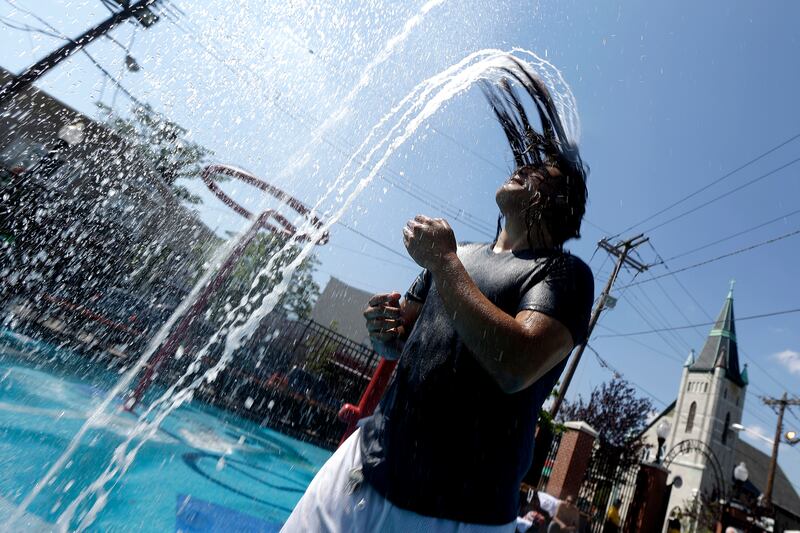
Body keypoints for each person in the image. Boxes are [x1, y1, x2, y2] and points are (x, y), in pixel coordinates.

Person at [282, 58, 593, 532]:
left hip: (457, 515)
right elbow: (399, 341)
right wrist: (383, 329)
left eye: (540, 170)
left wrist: (444, 264)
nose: (523, 167)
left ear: (561, 203)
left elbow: (517, 364)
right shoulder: (459, 254)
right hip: (359, 474)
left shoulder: (564, 274)